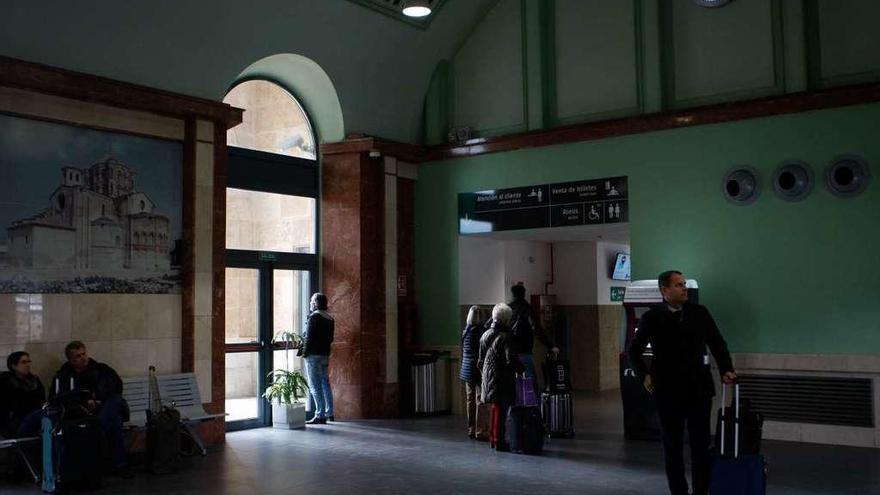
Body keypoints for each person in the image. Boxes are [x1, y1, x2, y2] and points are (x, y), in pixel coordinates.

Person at [627, 271, 736, 495]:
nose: (684, 288)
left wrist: (726, 369)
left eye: (684, 284)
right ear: (664, 290)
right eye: (678, 285)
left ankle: (700, 491)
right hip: (667, 391)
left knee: (700, 447)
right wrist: (644, 374)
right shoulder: (652, 317)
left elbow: (717, 342)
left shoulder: (699, 313)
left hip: (698, 389)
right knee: (673, 446)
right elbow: (634, 350)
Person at [50, 341, 131, 477]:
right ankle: (120, 465)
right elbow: (57, 398)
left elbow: (116, 387)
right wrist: (84, 402)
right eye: (78, 356)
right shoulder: (63, 376)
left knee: (117, 401)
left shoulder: (101, 369)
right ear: (71, 360)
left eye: (84, 354)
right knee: (115, 421)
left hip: (103, 408)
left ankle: (97, 429)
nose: (83, 358)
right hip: (80, 413)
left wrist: (98, 400)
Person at [477, 303, 523, 452]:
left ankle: (493, 438)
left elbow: (480, 361)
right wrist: (521, 369)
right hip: (502, 378)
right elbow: (511, 360)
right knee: (502, 410)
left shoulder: (485, 334)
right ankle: (499, 441)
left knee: (495, 408)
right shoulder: (506, 337)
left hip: (488, 377)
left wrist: (485, 375)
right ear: (506, 319)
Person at [508, 284, 559, 391]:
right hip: (525, 351)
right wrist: (550, 346)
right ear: (524, 294)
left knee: (513, 386)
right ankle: (531, 406)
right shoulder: (527, 309)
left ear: (512, 294)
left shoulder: (508, 309)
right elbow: (537, 329)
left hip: (510, 353)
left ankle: (517, 406)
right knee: (530, 384)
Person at [302, 293, 335, 425]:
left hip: (313, 355)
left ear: (316, 303)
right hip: (325, 355)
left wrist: (304, 353)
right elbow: (330, 339)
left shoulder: (314, 317)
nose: (310, 303)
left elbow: (308, 338)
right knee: (325, 383)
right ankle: (330, 413)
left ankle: (319, 415)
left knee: (315, 385)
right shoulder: (330, 318)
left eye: (311, 301)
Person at [459, 305, 489, 441]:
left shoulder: (466, 331)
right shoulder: (480, 332)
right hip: (477, 369)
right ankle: (480, 430)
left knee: (470, 400)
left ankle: (471, 429)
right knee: (480, 400)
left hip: (466, 369)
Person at [0, 351, 45, 438]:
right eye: (24, 362)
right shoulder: (5, 382)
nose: (28, 365)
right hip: (15, 421)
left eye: (29, 362)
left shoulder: (34, 380)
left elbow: (42, 399)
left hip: (35, 417)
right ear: (14, 366)